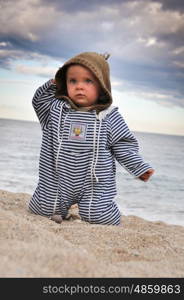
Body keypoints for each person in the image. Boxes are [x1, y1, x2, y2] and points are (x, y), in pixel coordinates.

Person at [28, 52, 154, 225]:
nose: (79, 86)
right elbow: (38, 101)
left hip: (93, 184)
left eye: (88, 81)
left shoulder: (109, 117)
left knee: (102, 217)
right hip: (56, 179)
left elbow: (123, 145)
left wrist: (139, 167)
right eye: (73, 80)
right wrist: (52, 83)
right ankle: (63, 208)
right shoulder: (55, 110)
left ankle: (85, 210)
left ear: (102, 86)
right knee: (41, 208)